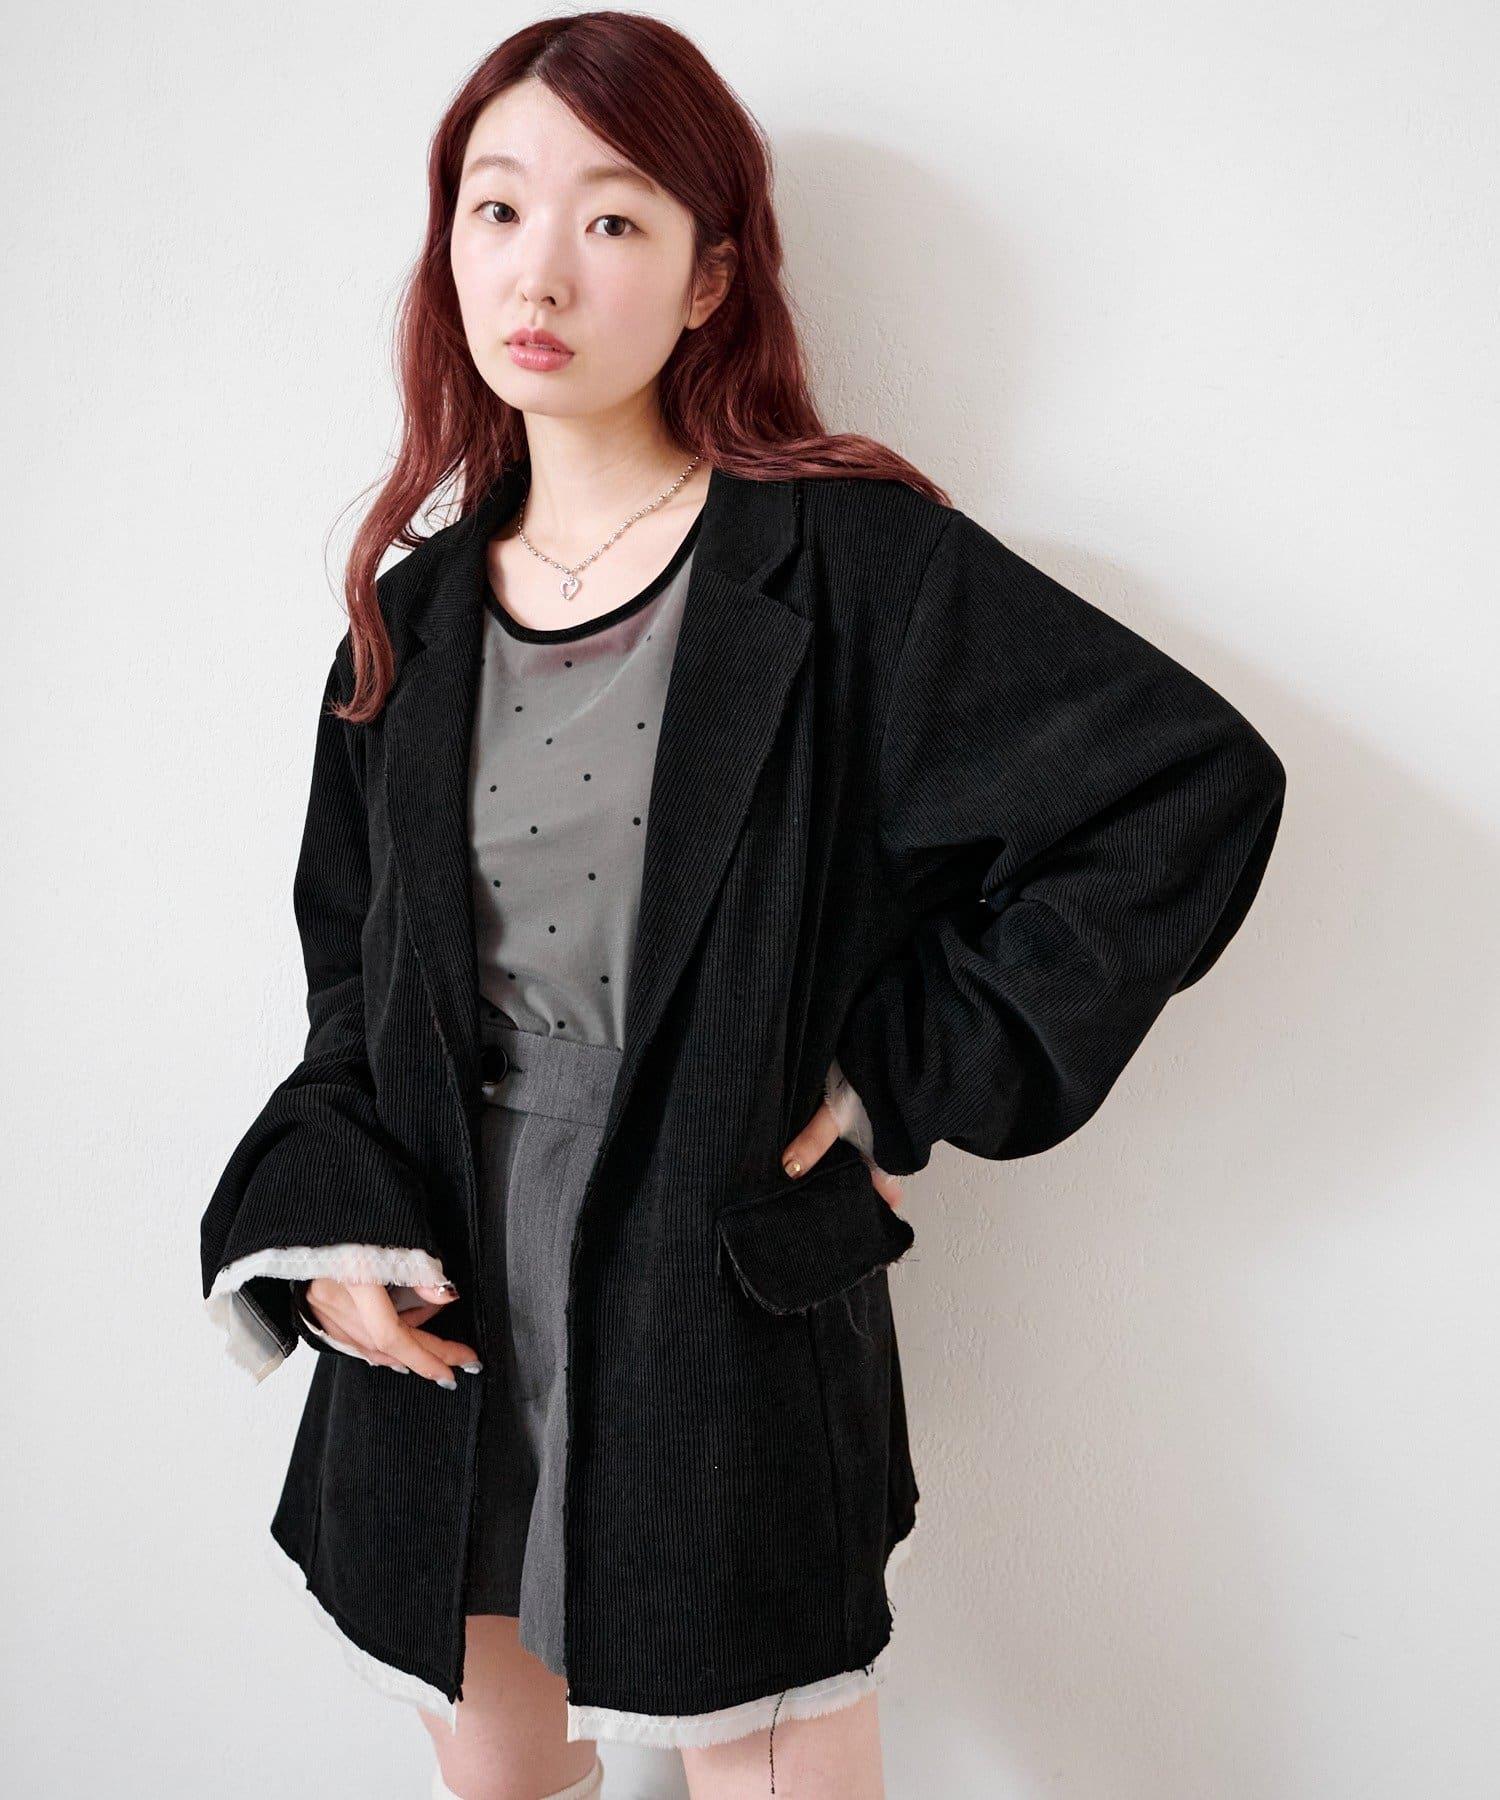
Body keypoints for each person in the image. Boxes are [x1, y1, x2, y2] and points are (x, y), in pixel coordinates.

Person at [199, 14, 1287, 1800]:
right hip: (449, 1274)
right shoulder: (413, 620)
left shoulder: (850, 571)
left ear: (710, 279)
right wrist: (333, 1242)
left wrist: (891, 1080)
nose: (540, 269)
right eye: (497, 208)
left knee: (769, 1750)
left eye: (614, 220)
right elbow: (351, 989)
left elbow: (1182, 791)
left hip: (711, 1261)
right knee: (498, 1773)